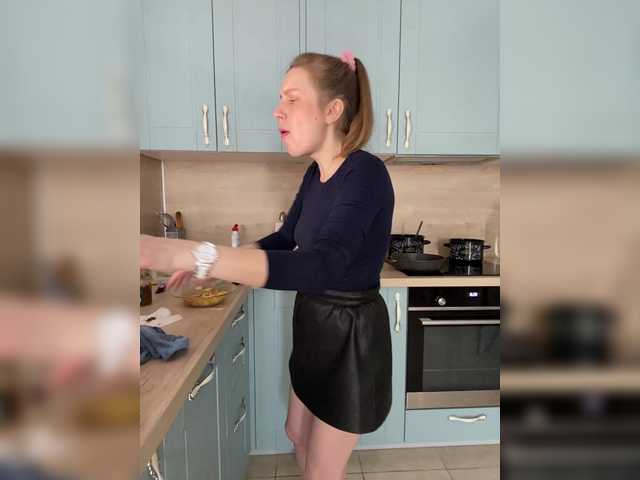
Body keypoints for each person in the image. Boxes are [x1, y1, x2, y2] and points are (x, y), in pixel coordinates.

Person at [140, 50, 395, 480]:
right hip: (314, 324)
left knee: (322, 471)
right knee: (295, 432)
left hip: (350, 338)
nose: (278, 109)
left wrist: (196, 254)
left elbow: (323, 265)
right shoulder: (315, 174)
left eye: (292, 98)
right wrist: (213, 263)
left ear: (332, 110)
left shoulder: (365, 173)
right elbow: (285, 239)